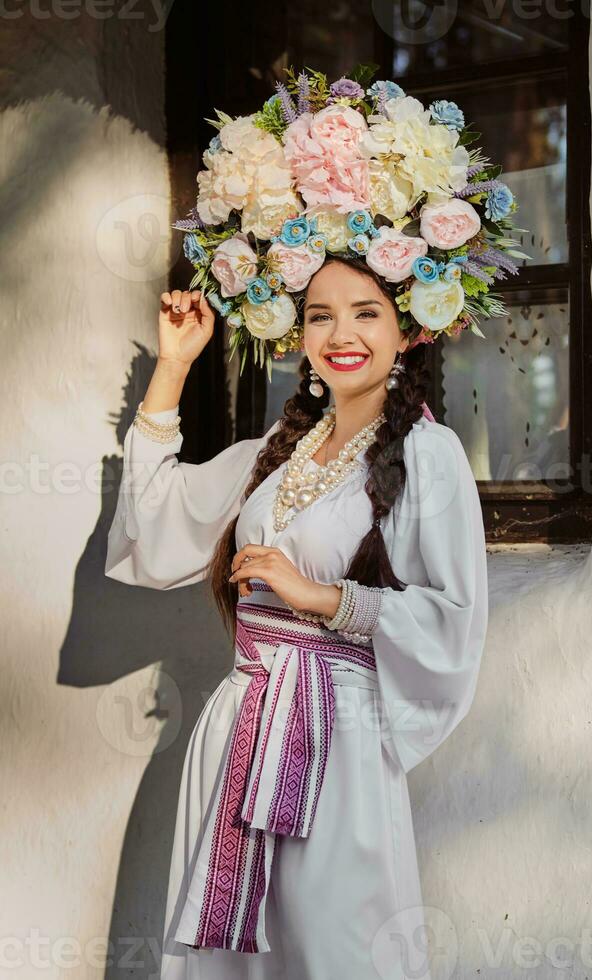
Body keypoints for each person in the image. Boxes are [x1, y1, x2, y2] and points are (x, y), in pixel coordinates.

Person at [105, 254, 489, 979]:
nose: (341, 333)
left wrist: (325, 598)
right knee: (228, 958)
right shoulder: (277, 458)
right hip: (240, 723)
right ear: (298, 335)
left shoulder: (425, 454)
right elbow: (153, 526)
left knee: (333, 943)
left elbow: (450, 618)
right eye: (320, 315)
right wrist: (174, 367)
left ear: (408, 328)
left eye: (366, 312)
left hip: (334, 739)